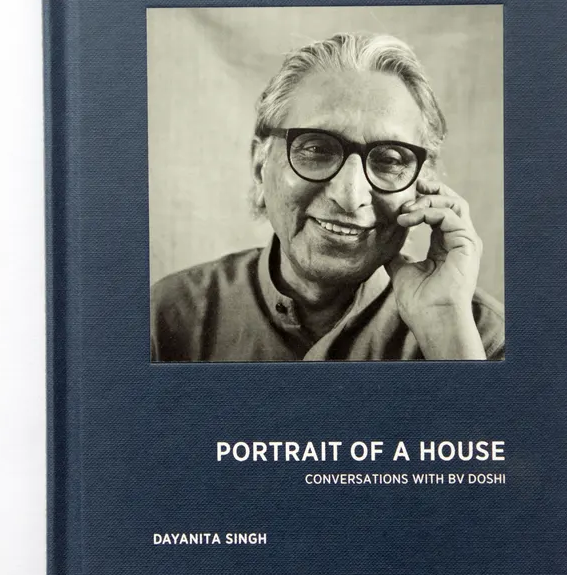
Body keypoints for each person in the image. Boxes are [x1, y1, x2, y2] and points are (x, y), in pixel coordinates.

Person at [151, 32, 505, 361]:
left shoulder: (480, 337)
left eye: (388, 160)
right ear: (261, 167)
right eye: (317, 149)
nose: (350, 196)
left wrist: (445, 328)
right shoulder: (166, 317)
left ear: (421, 185)